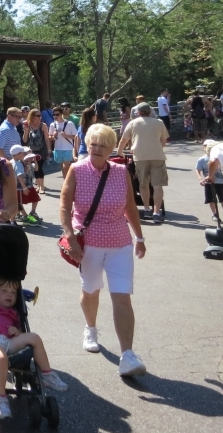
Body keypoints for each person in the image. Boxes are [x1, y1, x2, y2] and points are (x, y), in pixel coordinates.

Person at [60, 123, 147, 377]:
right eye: (93, 144)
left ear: (111, 148)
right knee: (91, 290)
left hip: (120, 243)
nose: (96, 148)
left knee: (122, 296)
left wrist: (139, 237)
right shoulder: (76, 170)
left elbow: (130, 207)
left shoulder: (121, 172)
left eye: (102, 145)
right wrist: (70, 238)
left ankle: (128, 355)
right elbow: (65, 207)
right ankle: (91, 328)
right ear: (87, 144)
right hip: (88, 244)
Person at [0, 277, 68, 421]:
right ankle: (1, 399)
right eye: (4, 291)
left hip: (8, 341)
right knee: (0, 358)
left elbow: (21, 329)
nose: (9, 294)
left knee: (34, 337)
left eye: (13, 292)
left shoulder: (14, 312)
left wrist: (17, 331)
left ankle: (47, 375)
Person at [118, 102, 169, 221]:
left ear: (138, 112)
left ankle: (146, 209)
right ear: (150, 111)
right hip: (157, 156)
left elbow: (123, 140)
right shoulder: (159, 123)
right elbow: (163, 141)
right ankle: (156, 212)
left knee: (143, 184)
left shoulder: (133, 123)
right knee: (157, 185)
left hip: (139, 157)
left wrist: (121, 152)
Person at [10, 145, 41, 224]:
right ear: (17, 154)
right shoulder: (18, 164)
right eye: (23, 153)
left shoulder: (12, 162)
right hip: (19, 187)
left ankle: (14, 220)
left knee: (16, 203)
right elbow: (19, 176)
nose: (24, 155)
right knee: (17, 204)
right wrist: (24, 187)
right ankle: (19, 219)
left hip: (13, 187)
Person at [22, 109, 51, 195]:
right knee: (34, 167)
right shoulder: (28, 125)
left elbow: (46, 138)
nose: (40, 117)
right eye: (38, 116)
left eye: (40, 115)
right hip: (31, 150)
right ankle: (38, 185)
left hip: (41, 150)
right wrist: (26, 130)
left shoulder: (43, 125)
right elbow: (25, 140)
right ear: (32, 116)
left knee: (39, 167)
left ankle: (42, 186)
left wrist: (49, 150)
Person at [196, 140, 222, 224]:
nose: (206, 148)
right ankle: (214, 214)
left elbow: (214, 162)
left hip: (221, 182)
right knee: (211, 199)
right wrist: (200, 179)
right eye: (205, 146)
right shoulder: (202, 159)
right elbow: (197, 169)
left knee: (222, 199)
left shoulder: (217, 156)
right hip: (209, 183)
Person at [49, 107, 78, 177]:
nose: (55, 116)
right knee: (62, 167)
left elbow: (76, 136)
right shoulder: (52, 125)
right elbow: (49, 137)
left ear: (61, 114)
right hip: (58, 148)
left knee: (66, 166)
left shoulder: (69, 123)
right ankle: (66, 182)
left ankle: (69, 183)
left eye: (57, 114)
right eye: (54, 114)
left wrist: (66, 136)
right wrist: (53, 136)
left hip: (68, 148)